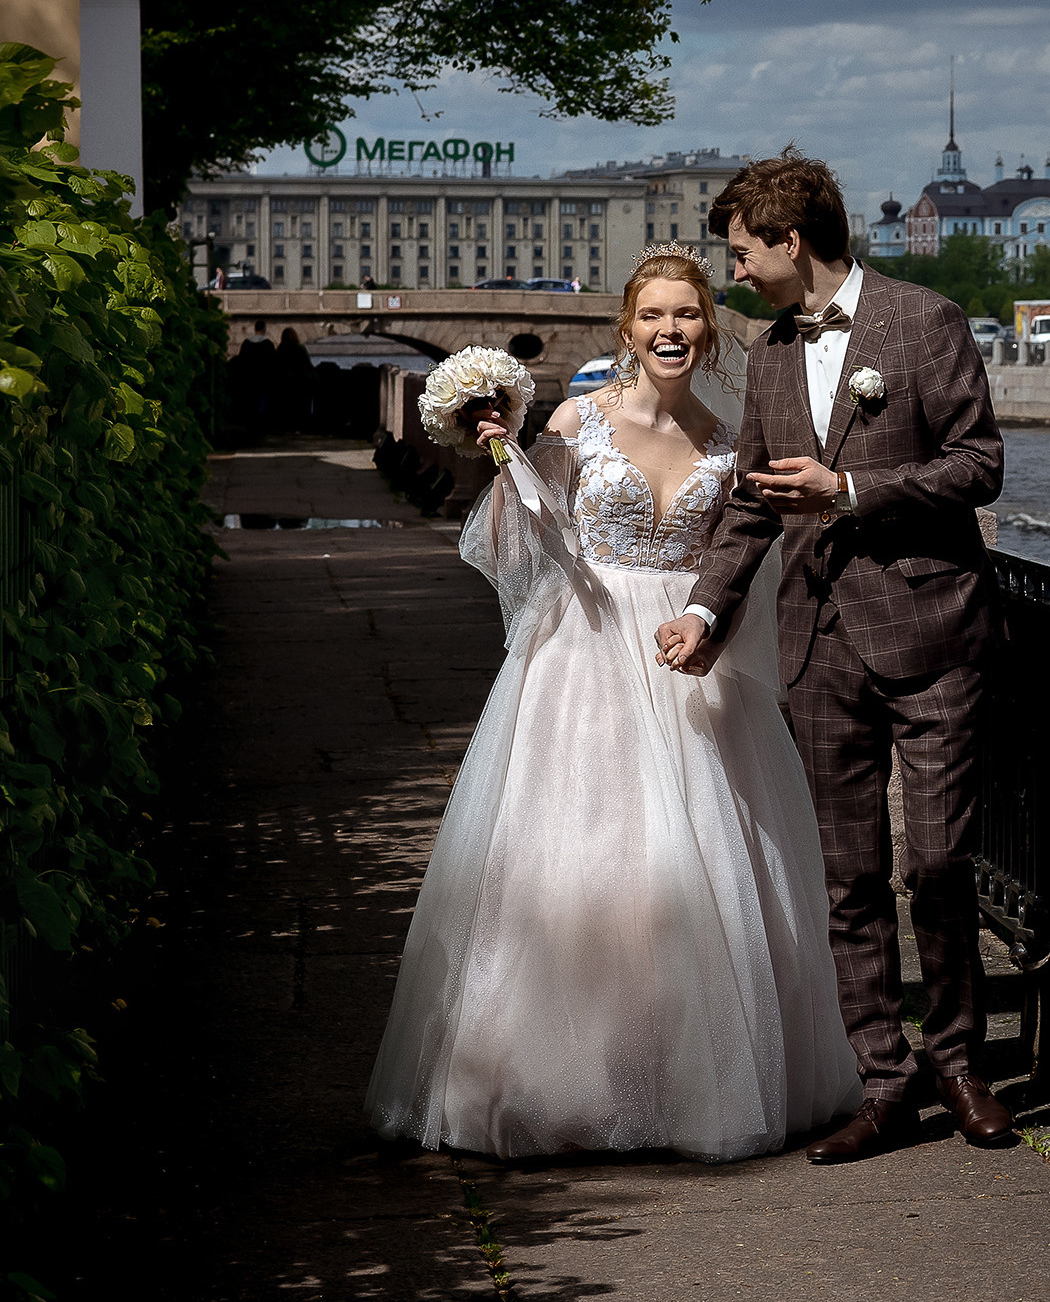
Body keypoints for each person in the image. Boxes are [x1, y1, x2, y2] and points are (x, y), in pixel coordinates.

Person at [365, 247, 860, 1162]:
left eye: (689, 315)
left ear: (710, 329)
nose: (670, 330)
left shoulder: (728, 438)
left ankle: (690, 1077)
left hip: (691, 657)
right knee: (587, 865)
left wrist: (712, 625)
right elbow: (520, 544)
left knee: (701, 868)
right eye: (653, 317)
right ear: (626, 330)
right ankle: (571, 1081)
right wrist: (505, 459)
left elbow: (745, 557)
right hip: (587, 656)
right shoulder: (573, 422)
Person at [656, 151, 1012, 1165]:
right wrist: (704, 611)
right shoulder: (768, 354)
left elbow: (979, 462)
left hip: (933, 632)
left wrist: (854, 491)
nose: (735, 274)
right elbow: (747, 509)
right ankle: (886, 1084)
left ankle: (959, 1064)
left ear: (791, 239)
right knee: (846, 880)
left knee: (937, 863)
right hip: (818, 647)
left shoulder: (924, 320)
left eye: (742, 253)